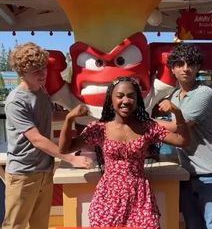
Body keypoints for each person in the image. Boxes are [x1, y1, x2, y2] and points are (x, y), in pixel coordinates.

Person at [59, 76, 190, 228]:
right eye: (120, 96)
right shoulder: (99, 129)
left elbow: (183, 141)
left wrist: (177, 112)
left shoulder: (148, 127)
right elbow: (65, 148)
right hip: (108, 196)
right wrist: (69, 119)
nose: (125, 101)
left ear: (137, 100)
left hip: (139, 195)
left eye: (131, 96)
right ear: (111, 100)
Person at [2, 42, 93, 229]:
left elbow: (48, 116)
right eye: (35, 70)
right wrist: (70, 158)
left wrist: (77, 115)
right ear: (21, 72)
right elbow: (36, 139)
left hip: (44, 170)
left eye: (43, 67)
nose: (42, 73)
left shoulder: (42, 92)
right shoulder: (15, 102)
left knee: (40, 225)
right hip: (23, 174)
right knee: (15, 225)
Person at [163, 43, 212, 229]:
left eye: (190, 64)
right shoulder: (174, 96)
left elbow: (178, 127)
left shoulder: (204, 93)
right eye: (180, 64)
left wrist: (146, 124)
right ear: (173, 69)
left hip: (210, 173)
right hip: (186, 172)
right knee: (193, 225)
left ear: (198, 67)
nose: (185, 68)